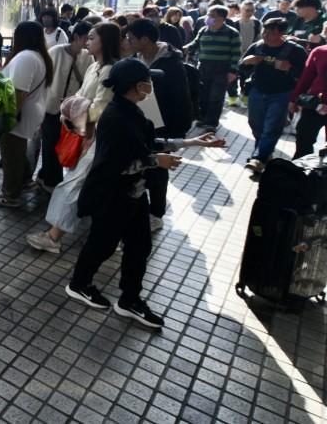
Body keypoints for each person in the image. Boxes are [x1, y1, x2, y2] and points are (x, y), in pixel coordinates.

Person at [65, 58, 224, 328]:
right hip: (112, 197)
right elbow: (114, 165)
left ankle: (129, 299)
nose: (151, 87)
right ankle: (79, 284)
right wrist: (154, 162)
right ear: (138, 86)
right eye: (148, 82)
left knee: (139, 246)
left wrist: (192, 142)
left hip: (134, 195)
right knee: (101, 245)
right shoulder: (116, 117)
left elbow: (149, 143)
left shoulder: (132, 111)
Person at [26, 22, 120, 254]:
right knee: (89, 186)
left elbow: (100, 108)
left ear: (104, 42)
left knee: (73, 185)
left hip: (98, 137)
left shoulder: (109, 70)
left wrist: (73, 108)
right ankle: (114, 235)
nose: (87, 42)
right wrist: (73, 107)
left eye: (92, 38)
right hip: (84, 133)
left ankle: (54, 237)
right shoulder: (94, 66)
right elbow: (80, 96)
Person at [123, 18, 195, 231]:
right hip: (139, 122)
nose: (128, 42)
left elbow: (181, 99)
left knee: (157, 168)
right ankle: (140, 207)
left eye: (131, 38)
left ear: (145, 39)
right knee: (142, 165)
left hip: (162, 126)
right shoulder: (137, 59)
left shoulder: (171, 63)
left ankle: (156, 213)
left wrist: (174, 131)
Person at [0, 21, 53, 208]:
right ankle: (25, 181)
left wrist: (7, 119)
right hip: (31, 111)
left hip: (19, 113)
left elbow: (18, 92)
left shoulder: (26, 57)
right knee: (16, 151)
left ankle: (10, 195)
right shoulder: (37, 56)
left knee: (11, 154)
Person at [233, 18, 304, 171]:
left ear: (282, 33)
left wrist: (289, 69)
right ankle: (265, 152)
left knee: (272, 127)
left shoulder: (295, 50)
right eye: (264, 31)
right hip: (257, 92)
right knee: (255, 125)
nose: (265, 35)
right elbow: (241, 67)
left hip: (281, 94)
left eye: (271, 32)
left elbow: (305, 74)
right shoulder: (257, 46)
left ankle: (258, 158)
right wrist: (246, 62)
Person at [36, 21, 92, 194]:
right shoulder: (56, 51)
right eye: (86, 38)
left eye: (91, 38)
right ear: (76, 37)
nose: (88, 42)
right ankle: (52, 181)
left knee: (64, 143)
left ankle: (45, 175)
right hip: (51, 107)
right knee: (50, 143)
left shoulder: (87, 57)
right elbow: (44, 79)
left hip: (72, 111)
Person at [184, 5, 240, 132]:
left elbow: (236, 54)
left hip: (222, 69)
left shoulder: (232, 33)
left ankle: (211, 123)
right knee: (203, 95)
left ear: (221, 18)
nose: (207, 18)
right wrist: (184, 48)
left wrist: (233, 71)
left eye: (211, 15)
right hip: (203, 67)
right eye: (208, 14)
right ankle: (202, 118)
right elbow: (195, 44)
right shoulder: (204, 30)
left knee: (216, 97)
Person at [289, 23, 327, 158]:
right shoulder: (320, 52)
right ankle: (299, 173)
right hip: (315, 104)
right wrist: (294, 99)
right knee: (303, 141)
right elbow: (306, 78)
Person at [228, 0, 262, 107]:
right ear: (241, 10)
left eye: (251, 10)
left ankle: (245, 95)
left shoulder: (256, 23)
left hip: (250, 55)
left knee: (248, 77)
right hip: (235, 54)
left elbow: (259, 39)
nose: (249, 12)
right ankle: (232, 97)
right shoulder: (234, 23)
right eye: (246, 10)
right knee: (232, 77)